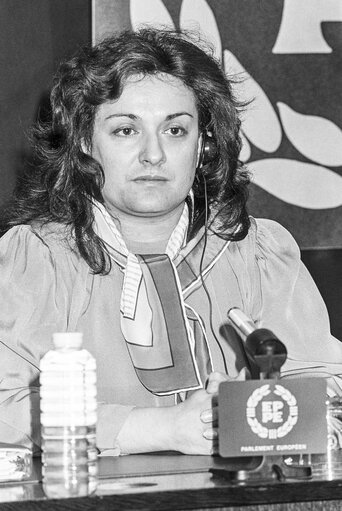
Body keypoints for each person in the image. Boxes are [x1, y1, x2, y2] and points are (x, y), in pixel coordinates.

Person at [1, 27, 342, 457]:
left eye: (176, 130)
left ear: (203, 145)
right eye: (126, 130)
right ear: (87, 143)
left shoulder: (256, 252)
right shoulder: (35, 258)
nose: (153, 154)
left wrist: (249, 410)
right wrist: (157, 429)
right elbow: (5, 406)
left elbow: (327, 390)